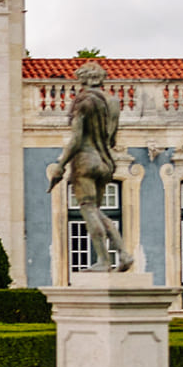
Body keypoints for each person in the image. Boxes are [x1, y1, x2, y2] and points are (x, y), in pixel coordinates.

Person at [47, 60, 133, 271]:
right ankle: (123, 252)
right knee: (97, 210)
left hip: (86, 160)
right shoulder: (113, 101)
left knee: (87, 209)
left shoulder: (83, 102)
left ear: (83, 79)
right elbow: (111, 136)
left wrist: (61, 164)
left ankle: (104, 260)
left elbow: (76, 138)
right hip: (106, 161)